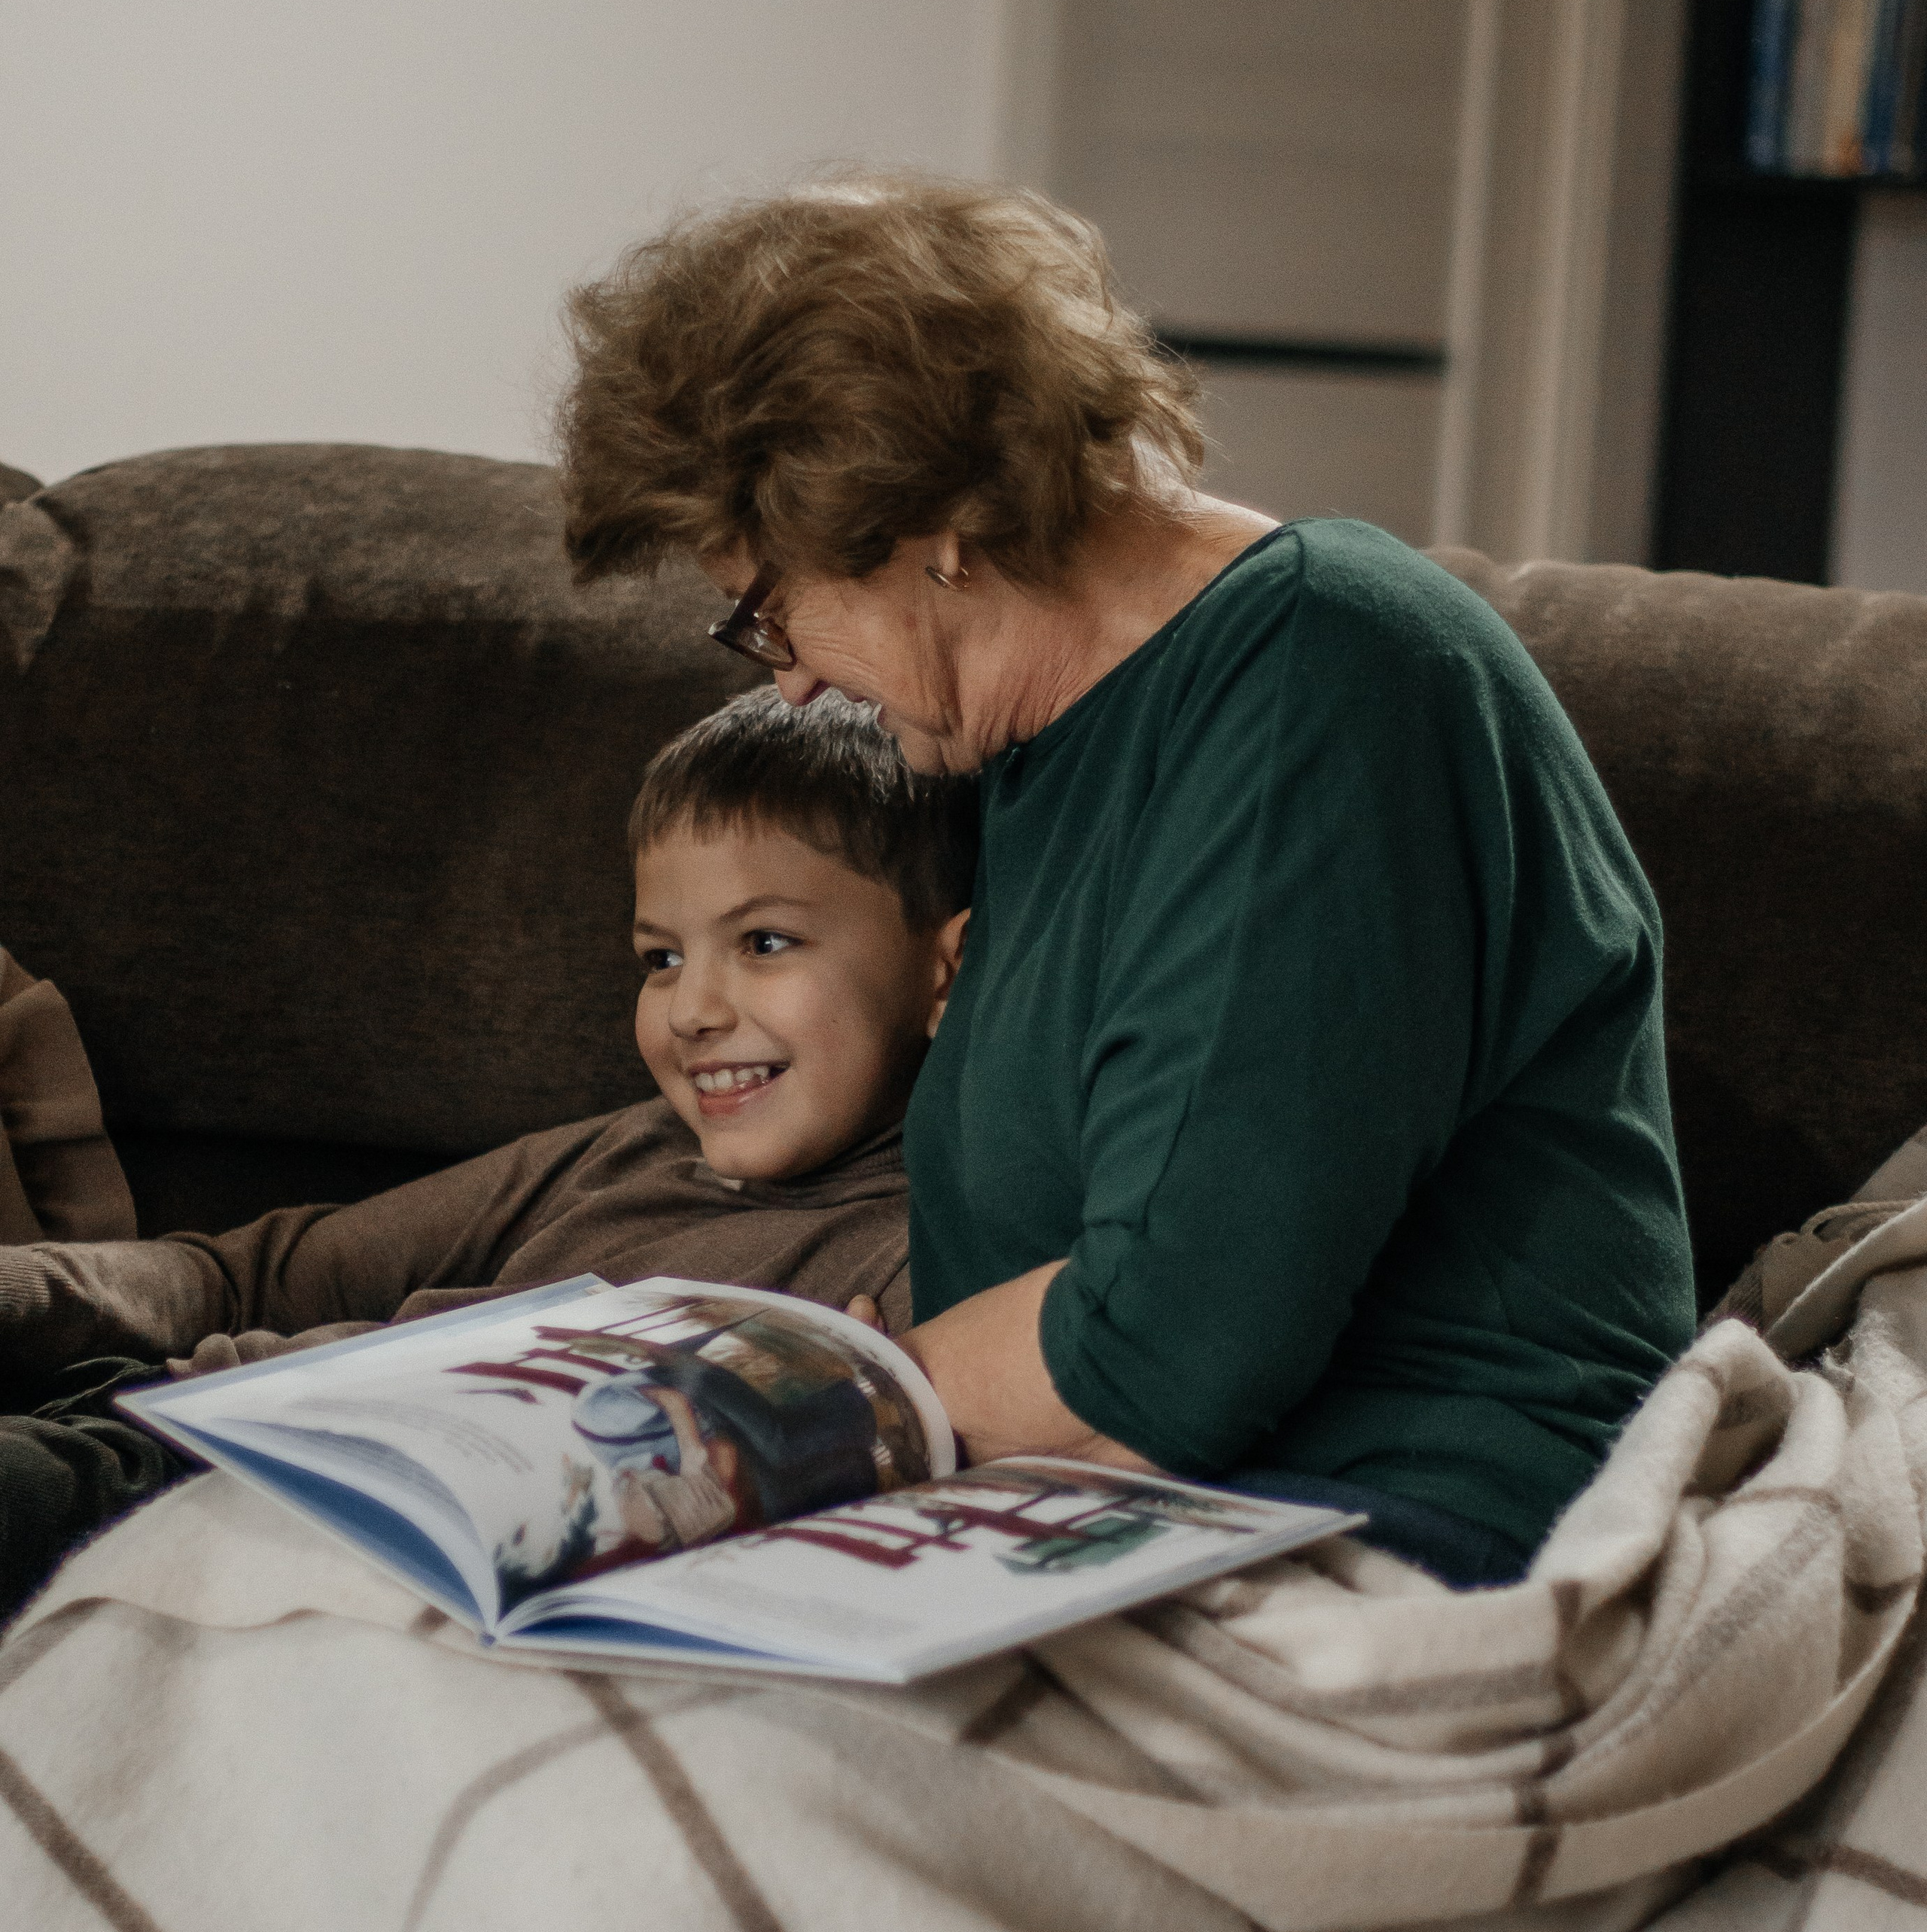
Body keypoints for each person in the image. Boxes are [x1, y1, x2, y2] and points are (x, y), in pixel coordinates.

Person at [558, 173, 1700, 1590]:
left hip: (1392, 1516)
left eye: (766, 602)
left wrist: (831, 1411)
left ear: (930, 518)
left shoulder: (1320, 678)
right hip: (1106, 1506)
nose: (783, 676)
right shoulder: (1031, 753)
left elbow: (1171, 1351)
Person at [0, 688, 973, 1614]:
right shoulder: (634, 1148)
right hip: (168, 1412)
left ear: (948, 969)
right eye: (661, 959)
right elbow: (254, 1277)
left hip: (247, 1495)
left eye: (764, 942)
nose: (692, 1012)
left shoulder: (935, 1255)